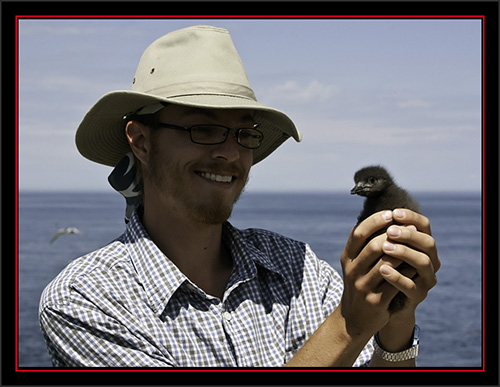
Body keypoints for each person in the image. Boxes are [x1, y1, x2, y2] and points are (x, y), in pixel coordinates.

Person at [39, 25, 440, 368]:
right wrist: (350, 324)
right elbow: (349, 328)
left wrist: (395, 324)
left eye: (244, 133)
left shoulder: (300, 269)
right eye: (204, 129)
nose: (230, 154)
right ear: (141, 142)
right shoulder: (85, 301)